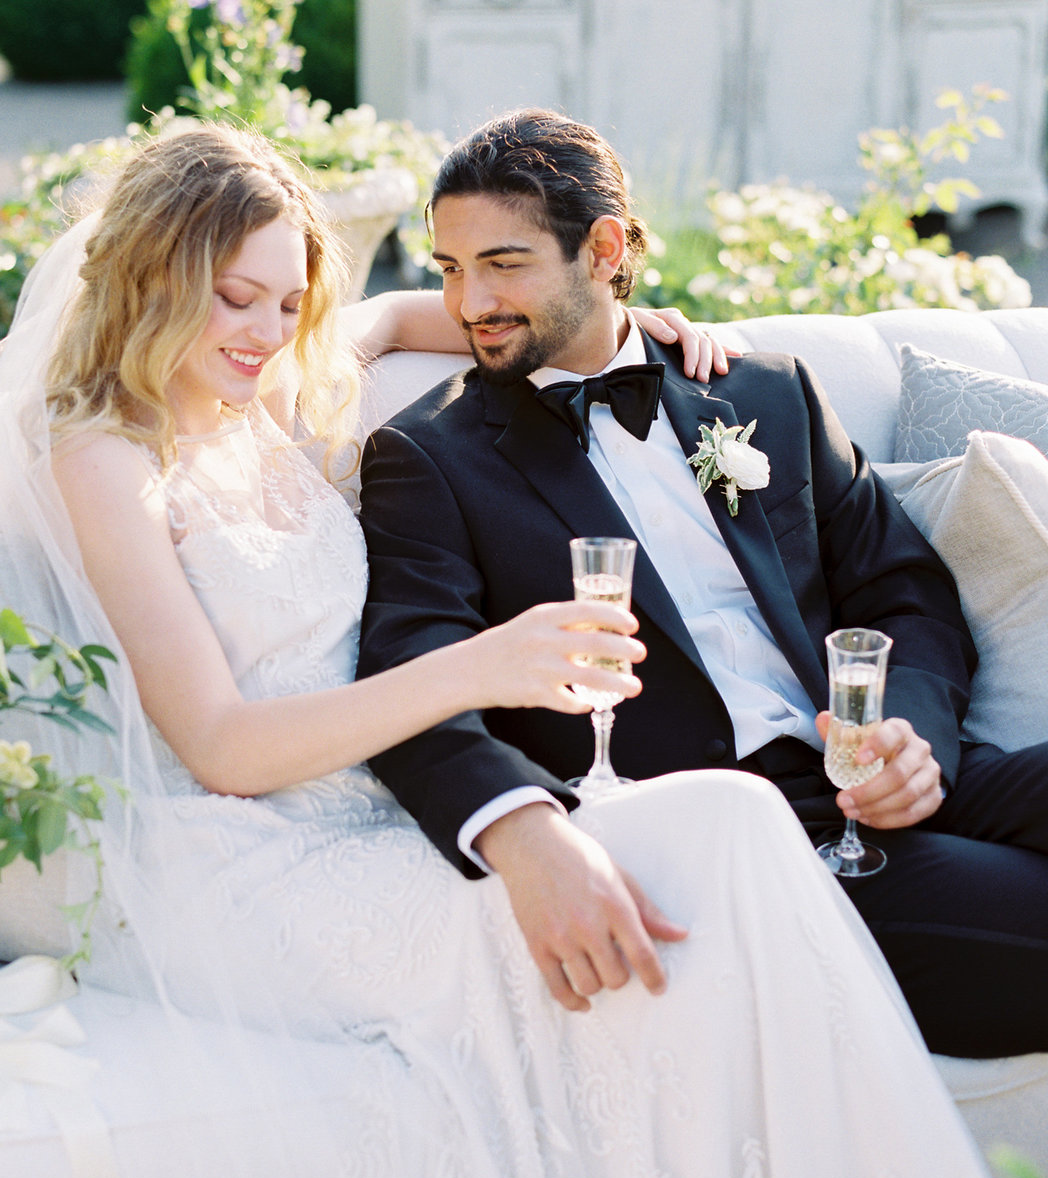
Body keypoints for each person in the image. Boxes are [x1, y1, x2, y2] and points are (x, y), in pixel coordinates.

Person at [0, 120, 1041, 1178]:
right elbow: (221, 742)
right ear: (157, 278)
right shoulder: (114, 456)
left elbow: (406, 317)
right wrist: (488, 682)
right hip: (274, 836)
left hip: (843, 764)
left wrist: (636, 321)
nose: (264, 332)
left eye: (283, 302)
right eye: (233, 299)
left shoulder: (287, 384)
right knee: (727, 841)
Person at [356, 107, 1048, 1063]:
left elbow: (904, 589)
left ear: (603, 248)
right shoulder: (429, 458)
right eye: (448, 270)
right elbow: (411, 682)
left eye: (502, 264)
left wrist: (913, 741)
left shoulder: (764, 391)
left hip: (877, 781)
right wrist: (526, 837)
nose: (471, 302)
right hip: (738, 840)